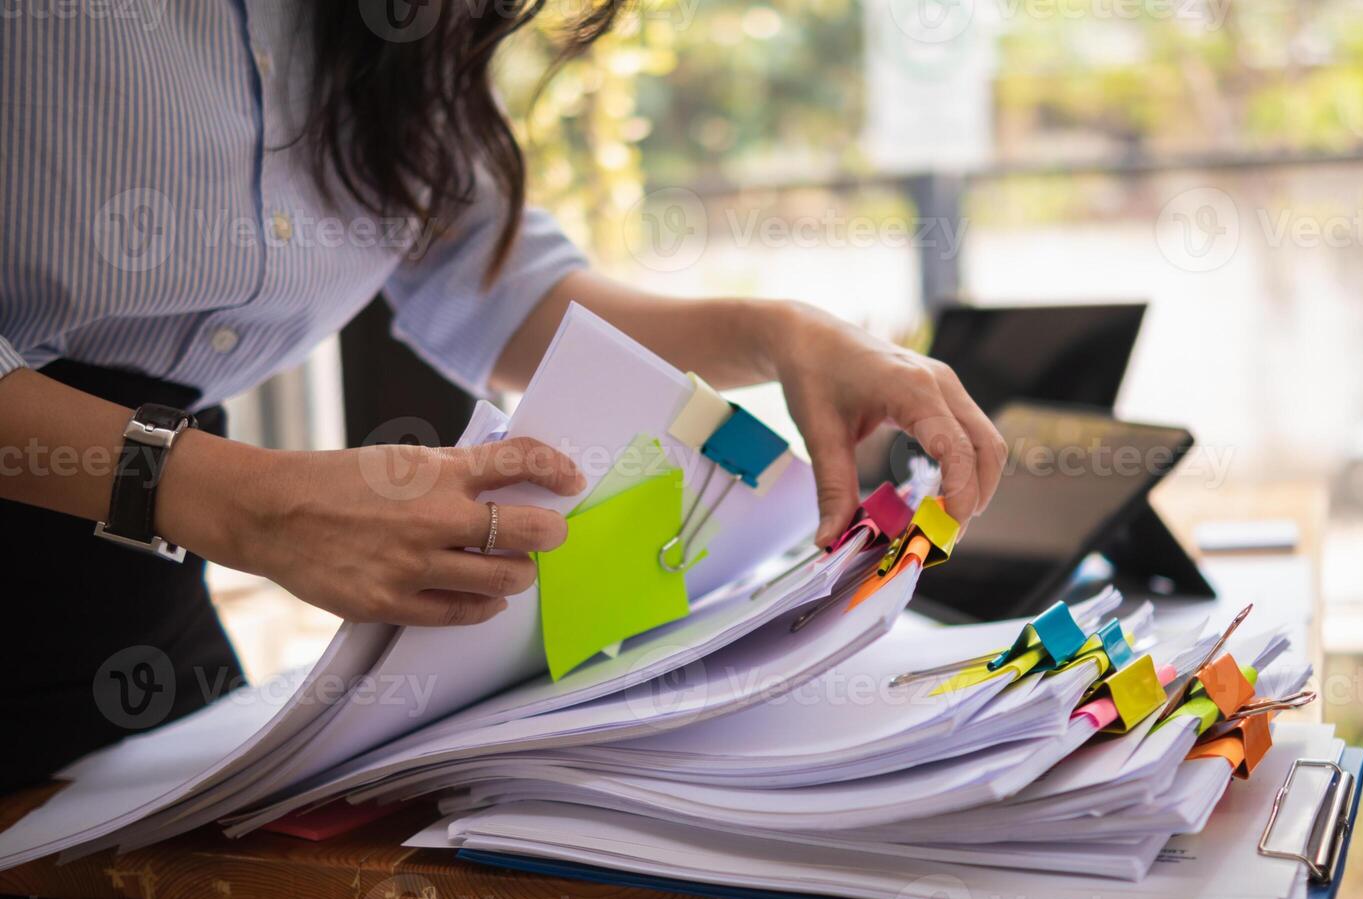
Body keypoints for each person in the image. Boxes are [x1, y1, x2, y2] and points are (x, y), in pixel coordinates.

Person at [0, 1, 1005, 790]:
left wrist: (781, 332)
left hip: (142, 594)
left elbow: (494, 279)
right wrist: (244, 500)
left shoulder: (381, 29)